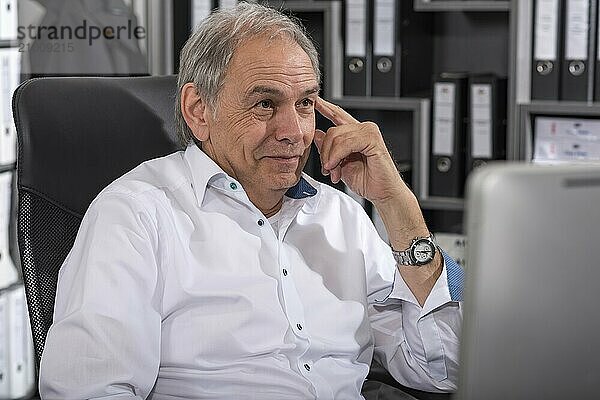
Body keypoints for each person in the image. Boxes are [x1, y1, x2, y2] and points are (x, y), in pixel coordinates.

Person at [39, 2, 463, 399]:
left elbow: (441, 368)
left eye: (305, 104)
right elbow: (90, 388)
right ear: (198, 110)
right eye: (265, 104)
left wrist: (397, 204)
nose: (293, 131)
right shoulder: (136, 214)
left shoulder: (342, 216)